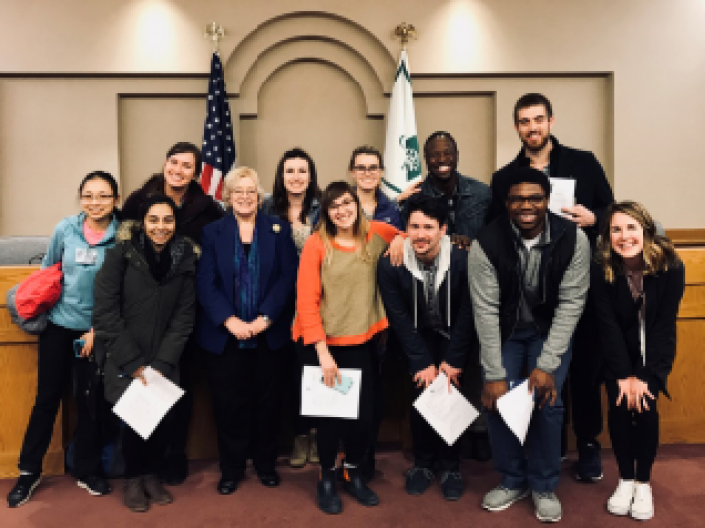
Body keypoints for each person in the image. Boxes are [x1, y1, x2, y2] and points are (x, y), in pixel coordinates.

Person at [489, 93, 614, 480]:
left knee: (585, 370)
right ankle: (552, 443)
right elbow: (496, 232)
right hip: (533, 294)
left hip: (582, 284)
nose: (532, 127)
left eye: (538, 119)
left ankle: (589, 443)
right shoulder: (506, 177)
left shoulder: (584, 162)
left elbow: (612, 210)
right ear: (516, 128)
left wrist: (595, 217)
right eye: (524, 121)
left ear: (551, 121)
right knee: (545, 367)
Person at [469, 167, 590, 523]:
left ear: (547, 201)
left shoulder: (572, 238)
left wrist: (546, 364)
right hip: (505, 332)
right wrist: (493, 372)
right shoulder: (486, 243)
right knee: (498, 399)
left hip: (548, 332)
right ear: (506, 204)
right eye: (518, 199)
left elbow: (571, 304)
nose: (526, 205)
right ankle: (512, 479)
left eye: (534, 198)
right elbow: (486, 310)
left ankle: (543, 484)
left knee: (546, 401)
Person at [7, 171, 121, 508]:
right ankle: (29, 471)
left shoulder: (123, 236)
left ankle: (87, 469)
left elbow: (122, 290)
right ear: (80, 198)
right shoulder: (65, 229)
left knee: (90, 404)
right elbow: (48, 272)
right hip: (59, 326)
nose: (95, 202)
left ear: (115, 199)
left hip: (96, 331)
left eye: (103, 196)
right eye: (88, 195)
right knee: (47, 399)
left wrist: (98, 331)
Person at [293, 181, 405, 515]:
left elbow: (408, 234)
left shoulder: (374, 234)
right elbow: (306, 302)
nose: (342, 210)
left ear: (357, 205)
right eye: (334, 206)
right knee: (331, 421)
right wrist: (323, 354)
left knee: (364, 420)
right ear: (326, 212)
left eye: (347, 203)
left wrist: (400, 238)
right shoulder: (317, 244)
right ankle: (326, 477)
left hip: (363, 342)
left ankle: (353, 471)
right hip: (324, 344)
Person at [121, 141, 224, 484]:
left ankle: (175, 453)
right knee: (143, 383)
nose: (178, 170)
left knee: (179, 386)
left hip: (188, 311)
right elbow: (122, 250)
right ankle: (144, 463)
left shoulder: (208, 209)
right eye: (173, 162)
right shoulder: (139, 200)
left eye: (186, 165)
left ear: (196, 173)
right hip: (144, 309)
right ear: (165, 163)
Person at [92, 194, 198, 513]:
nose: (160, 227)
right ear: (142, 222)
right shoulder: (120, 255)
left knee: (162, 420)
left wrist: (163, 362)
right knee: (134, 422)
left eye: (167, 220)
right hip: (126, 357)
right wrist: (135, 364)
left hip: (164, 360)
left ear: (175, 223)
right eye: (154, 220)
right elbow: (106, 313)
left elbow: (184, 316)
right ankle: (133, 479)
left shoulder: (185, 260)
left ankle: (152, 474)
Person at [196, 167, 298, 495]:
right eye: (237, 191)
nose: (244, 197)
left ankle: (266, 465)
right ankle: (232, 469)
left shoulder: (277, 230)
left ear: (259, 196)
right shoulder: (212, 233)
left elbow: (287, 278)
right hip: (225, 338)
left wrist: (264, 319)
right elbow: (205, 283)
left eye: (250, 191)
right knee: (229, 406)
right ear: (227, 196)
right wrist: (230, 321)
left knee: (268, 404)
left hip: (269, 335)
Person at [401, 131, 492, 461]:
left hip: (471, 291)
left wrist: (472, 245)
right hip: (426, 300)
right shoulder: (414, 196)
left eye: (447, 153)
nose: (442, 160)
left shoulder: (482, 193)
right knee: (428, 375)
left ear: (457, 154)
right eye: (434, 155)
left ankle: (477, 433)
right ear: (426, 159)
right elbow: (405, 236)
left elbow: (497, 236)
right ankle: (430, 453)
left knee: (471, 369)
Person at [377, 194, 475, 501]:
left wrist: (454, 359)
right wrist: (420, 360)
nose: (421, 234)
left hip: (454, 338)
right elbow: (399, 317)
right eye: (414, 226)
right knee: (422, 393)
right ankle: (422, 464)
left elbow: (468, 312)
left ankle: (450, 466)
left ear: (443, 229)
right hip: (414, 338)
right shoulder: (391, 262)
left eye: (428, 227)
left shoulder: (463, 258)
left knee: (451, 392)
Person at [591, 201, 684, 521]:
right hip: (616, 350)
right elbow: (607, 325)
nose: (624, 236)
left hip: (654, 349)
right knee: (619, 406)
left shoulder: (671, 265)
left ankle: (643, 483)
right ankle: (625, 479)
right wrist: (622, 374)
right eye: (616, 229)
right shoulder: (601, 265)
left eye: (631, 228)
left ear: (646, 231)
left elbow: (664, 325)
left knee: (644, 405)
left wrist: (645, 375)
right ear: (607, 235)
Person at [261, 148, 322, 468]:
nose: (296, 177)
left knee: (312, 371)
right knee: (287, 375)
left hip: (316, 305)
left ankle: (315, 435)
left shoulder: (324, 208)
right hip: (277, 304)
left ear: (311, 175)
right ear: (281, 176)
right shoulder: (266, 207)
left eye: (302, 170)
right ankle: (298, 436)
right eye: (289, 171)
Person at [348, 145, 403, 229]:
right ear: (352, 172)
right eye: (361, 168)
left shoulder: (392, 209)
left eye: (373, 168)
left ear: (381, 172)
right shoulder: (338, 206)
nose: (367, 173)